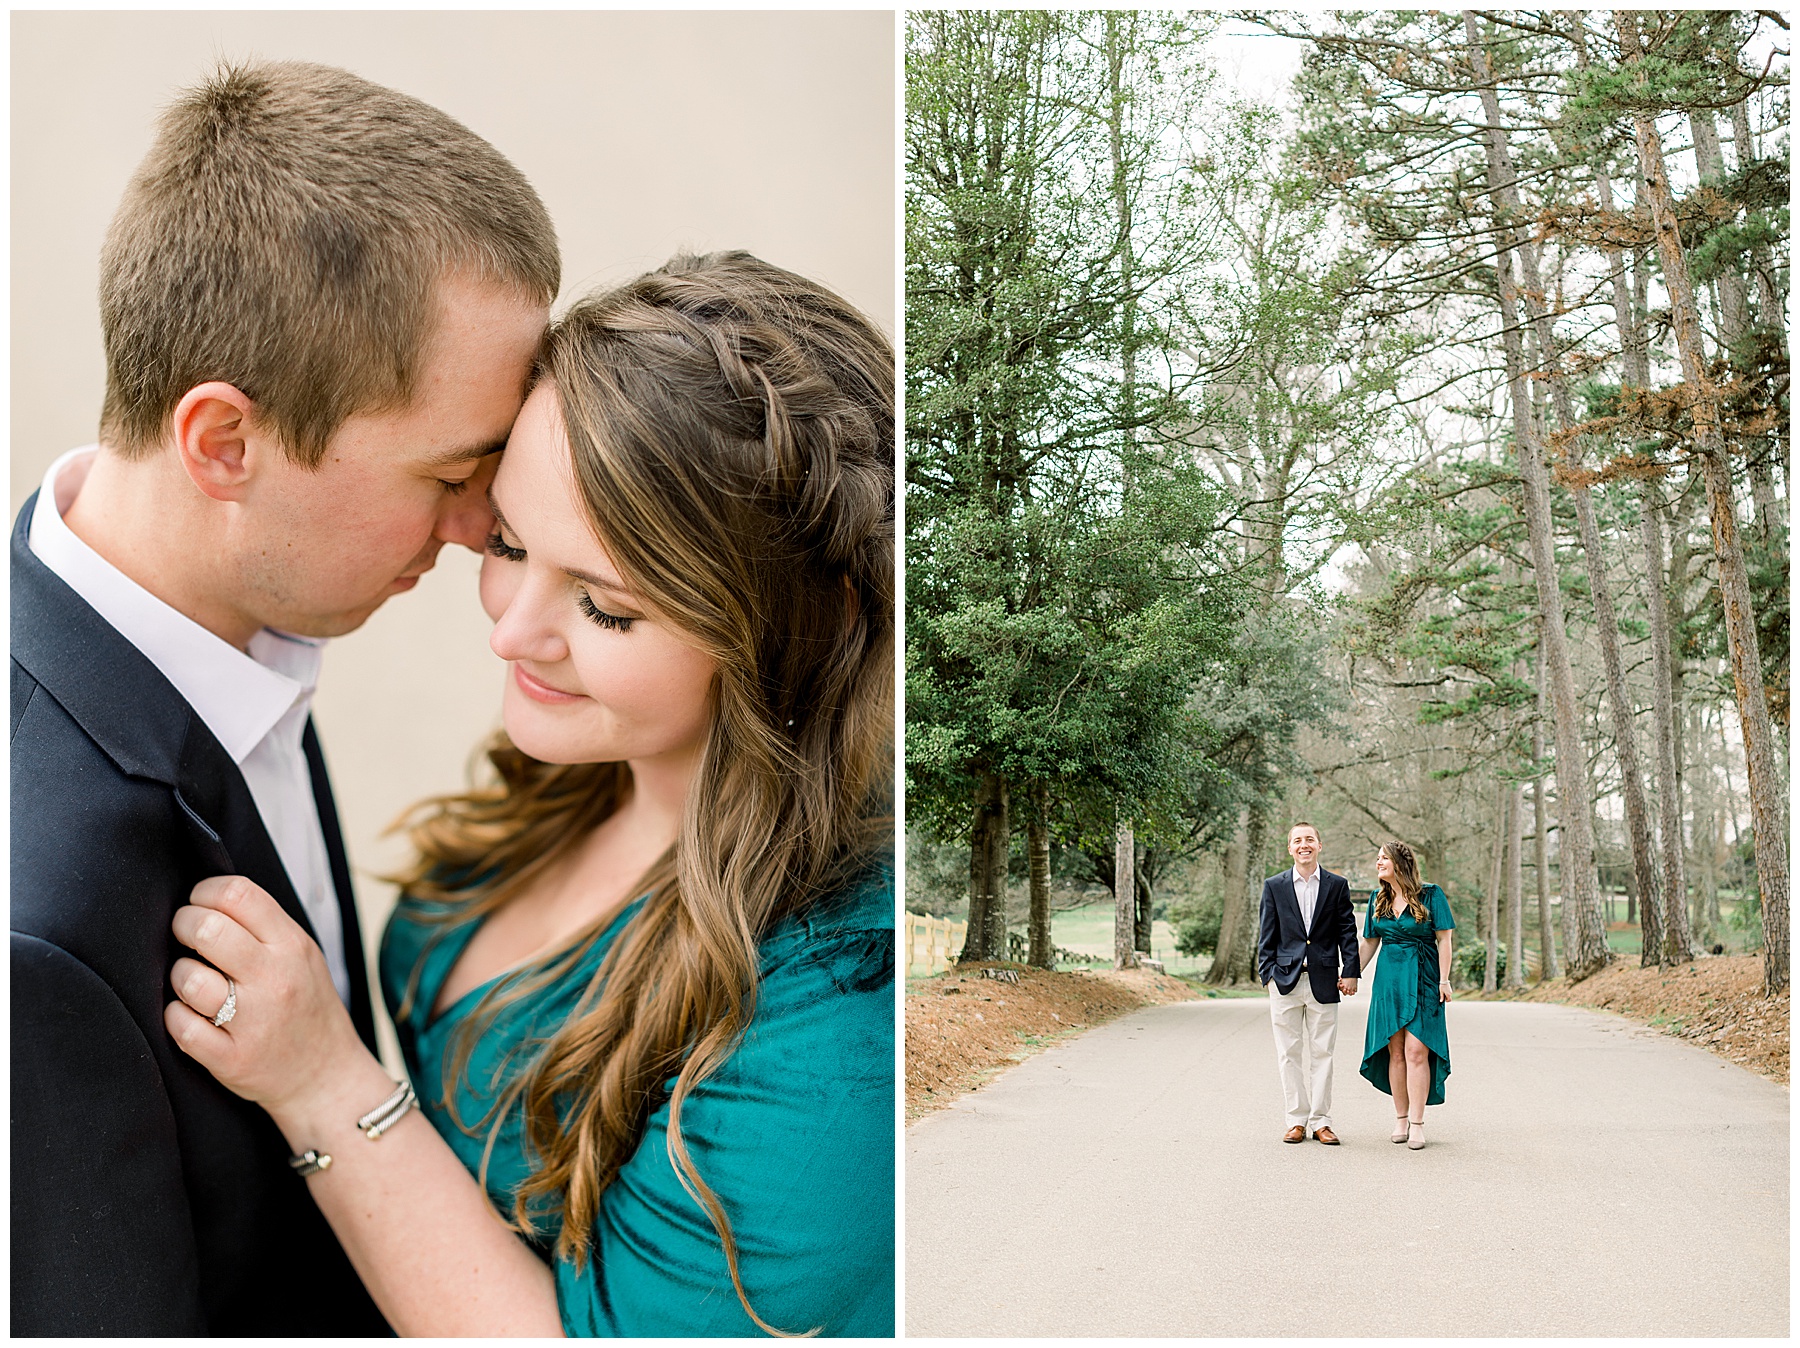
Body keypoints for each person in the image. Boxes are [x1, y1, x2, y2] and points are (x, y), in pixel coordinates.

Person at [161, 252, 896, 1336]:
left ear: (799, 626)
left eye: (605, 606)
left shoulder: (838, 1009)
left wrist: (322, 1084)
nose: (510, 629)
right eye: (507, 542)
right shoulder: (568, 779)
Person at [10, 61, 557, 1335]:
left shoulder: (234, 637)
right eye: (455, 472)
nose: (487, 529)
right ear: (225, 444)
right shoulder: (38, 927)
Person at [1256, 821, 1360, 1144]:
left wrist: (1351, 970)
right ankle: (1296, 1120)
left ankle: (1321, 1121)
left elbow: (1347, 930)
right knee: (1288, 1052)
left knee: (1323, 1053)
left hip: (1325, 979)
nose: (1304, 845)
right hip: (1284, 980)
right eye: (1298, 840)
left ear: (1319, 845)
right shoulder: (1274, 886)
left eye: (1310, 839)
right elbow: (1266, 933)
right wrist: (1268, 974)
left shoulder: (1336, 885)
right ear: (1290, 848)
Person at [1356, 841, 1454, 1150]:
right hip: (1389, 980)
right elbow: (1370, 942)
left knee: (1416, 1052)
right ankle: (1400, 1118)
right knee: (1395, 1051)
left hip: (1424, 977)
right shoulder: (1377, 898)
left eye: (1384, 857)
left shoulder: (1431, 894)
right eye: (1378, 858)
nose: (1378, 862)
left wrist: (1444, 980)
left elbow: (1445, 940)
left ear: (1401, 862)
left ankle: (1417, 1123)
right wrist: (1351, 974)